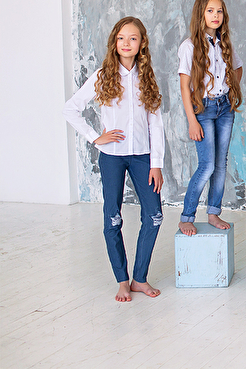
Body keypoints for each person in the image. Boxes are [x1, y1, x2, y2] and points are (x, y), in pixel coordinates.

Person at [63, 17, 164, 302]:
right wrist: (95, 137)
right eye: (121, 38)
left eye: (133, 38)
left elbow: (156, 124)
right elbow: (70, 109)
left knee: (154, 216)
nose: (126, 43)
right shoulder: (102, 75)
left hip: (143, 157)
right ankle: (122, 280)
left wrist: (156, 163)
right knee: (113, 218)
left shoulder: (147, 78)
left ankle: (139, 279)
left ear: (141, 43)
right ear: (114, 42)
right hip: (112, 158)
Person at [178, 0, 243, 236]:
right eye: (210, 11)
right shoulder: (189, 46)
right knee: (206, 165)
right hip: (203, 110)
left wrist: (230, 89)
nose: (216, 15)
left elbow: (237, 68)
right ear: (200, 14)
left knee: (220, 164)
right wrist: (192, 120)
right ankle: (187, 216)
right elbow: (184, 86)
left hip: (224, 108)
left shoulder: (224, 43)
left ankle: (214, 212)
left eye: (219, 11)